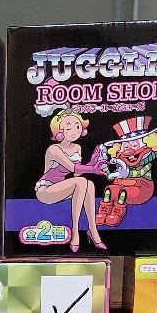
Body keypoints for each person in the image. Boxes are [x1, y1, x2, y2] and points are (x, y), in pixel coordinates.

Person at [35, 108, 107, 251]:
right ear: (59, 130)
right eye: (68, 126)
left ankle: (93, 230)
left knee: (89, 184)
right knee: (82, 182)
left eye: (77, 126)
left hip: (63, 188)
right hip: (46, 190)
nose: (74, 130)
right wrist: (93, 168)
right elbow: (73, 168)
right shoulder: (54, 149)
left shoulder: (77, 148)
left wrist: (92, 163)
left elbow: (77, 174)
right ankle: (75, 231)